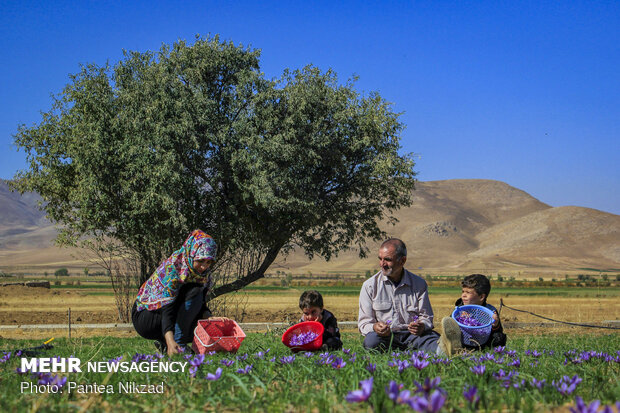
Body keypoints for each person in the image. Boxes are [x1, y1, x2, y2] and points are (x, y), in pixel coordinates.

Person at [358, 238, 461, 355]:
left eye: (387, 259)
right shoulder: (369, 286)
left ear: (402, 261)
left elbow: (426, 317)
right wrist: (375, 327)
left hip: (413, 336)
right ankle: (423, 351)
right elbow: (364, 324)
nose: (382, 264)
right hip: (386, 338)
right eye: (380, 259)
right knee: (371, 341)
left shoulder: (419, 284)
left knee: (431, 339)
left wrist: (421, 326)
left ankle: (445, 349)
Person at [132, 229, 219, 356]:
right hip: (146, 316)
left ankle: (167, 345)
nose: (204, 266)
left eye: (209, 262)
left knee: (200, 319)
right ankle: (176, 344)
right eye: (200, 261)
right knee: (194, 290)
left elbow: (199, 305)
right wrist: (170, 339)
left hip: (166, 316)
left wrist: (210, 318)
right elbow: (167, 308)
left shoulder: (202, 275)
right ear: (191, 254)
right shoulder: (173, 269)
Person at [455, 273, 507, 350]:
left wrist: (495, 325)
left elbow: (498, 335)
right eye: (463, 291)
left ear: (481, 297)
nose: (463, 295)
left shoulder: (490, 312)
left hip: (484, 345)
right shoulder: (459, 309)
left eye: (468, 292)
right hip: (464, 345)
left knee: (499, 337)